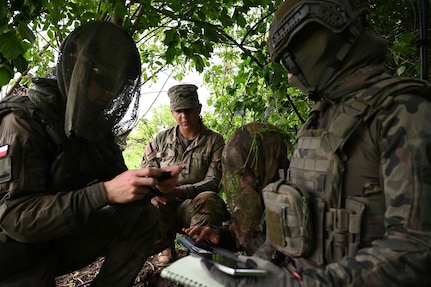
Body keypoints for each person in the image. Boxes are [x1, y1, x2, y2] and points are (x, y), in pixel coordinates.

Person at [200, 0, 431, 286]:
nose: (290, 75)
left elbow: (416, 248)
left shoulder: (404, 114)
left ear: (322, 42)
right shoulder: (322, 116)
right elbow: (297, 217)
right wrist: (256, 266)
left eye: (290, 59)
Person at [0, 21, 182, 287]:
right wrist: (103, 193)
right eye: (105, 80)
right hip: (12, 255)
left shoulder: (91, 126)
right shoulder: (22, 122)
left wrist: (152, 184)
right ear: (75, 65)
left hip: (53, 243)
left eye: (118, 87)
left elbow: (119, 182)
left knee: (143, 217)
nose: (110, 95)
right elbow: (17, 219)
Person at [141, 84, 229, 266]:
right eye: (178, 111)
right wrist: (155, 195)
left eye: (189, 110)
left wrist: (179, 192)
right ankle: (166, 244)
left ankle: (199, 248)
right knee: (146, 209)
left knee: (209, 199)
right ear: (172, 112)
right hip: (163, 203)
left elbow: (213, 181)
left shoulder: (214, 141)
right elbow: (147, 173)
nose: (184, 116)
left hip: (192, 205)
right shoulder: (160, 140)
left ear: (198, 109)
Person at [184, 121, 290, 256]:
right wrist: (218, 235)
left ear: (266, 164)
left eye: (245, 174)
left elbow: (274, 253)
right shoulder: (261, 193)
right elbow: (247, 234)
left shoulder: (294, 201)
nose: (241, 183)